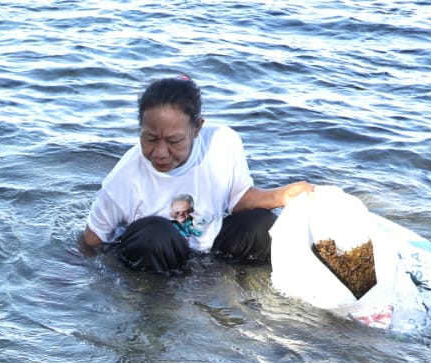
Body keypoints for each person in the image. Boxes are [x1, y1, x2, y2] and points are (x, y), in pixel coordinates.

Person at [80, 75, 314, 274]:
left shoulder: (223, 142)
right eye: (150, 139)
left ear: (197, 128)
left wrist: (282, 196)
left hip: (208, 252)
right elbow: (91, 241)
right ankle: (156, 301)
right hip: (156, 257)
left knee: (263, 225)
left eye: (174, 141)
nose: (160, 153)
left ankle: (241, 283)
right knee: (156, 236)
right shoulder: (123, 179)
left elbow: (239, 199)